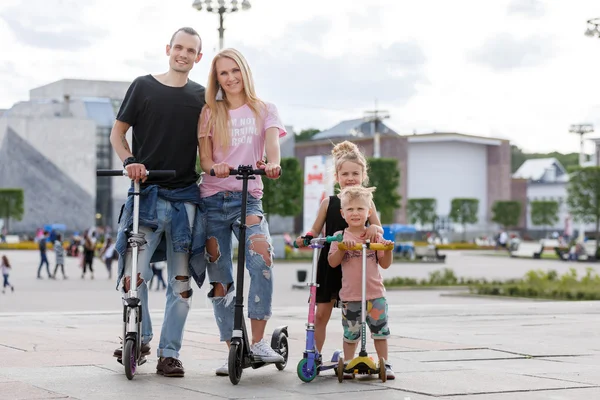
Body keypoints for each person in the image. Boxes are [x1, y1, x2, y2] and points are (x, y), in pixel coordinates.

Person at [109, 26, 206, 378]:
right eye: (177, 47)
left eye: (190, 50)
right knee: (133, 275)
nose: (182, 54)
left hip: (185, 199)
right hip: (146, 196)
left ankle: (170, 352)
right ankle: (141, 336)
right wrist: (129, 160)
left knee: (180, 283)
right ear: (168, 49)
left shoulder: (202, 96)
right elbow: (117, 133)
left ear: (199, 56)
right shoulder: (143, 86)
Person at [197, 48, 285, 376]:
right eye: (223, 73)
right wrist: (215, 167)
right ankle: (232, 345)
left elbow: (272, 149)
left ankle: (260, 342)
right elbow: (204, 160)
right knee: (220, 277)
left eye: (235, 70)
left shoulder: (265, 111)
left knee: (261, 259)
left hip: (248, 199)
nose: (230, 78)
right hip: (213, 200)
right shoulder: (210, 112)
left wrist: (272, 165)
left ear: (245, 71)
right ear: (216, 78)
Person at [295, 141, 383, 355]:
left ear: (363, 176)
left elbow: (378, 226)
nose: (350, 178)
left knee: (359, 313)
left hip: (355, 263)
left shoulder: (367, 203)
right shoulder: (329, 202)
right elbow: (315, 229)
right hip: (331, 263)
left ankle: (357, 354)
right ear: (337, 177)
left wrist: (373, 228)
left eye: (355, 173)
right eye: (345, 174)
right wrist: (306, 237)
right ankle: (314, 354)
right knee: (321, 314)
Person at [327, 186, 395, 379]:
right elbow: (332, 262)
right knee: (350, 334)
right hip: (351, 296)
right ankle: (348, 363)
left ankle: (385, 363)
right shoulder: (340, 236)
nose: (355, 213)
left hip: (375, 295)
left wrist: (387, 249)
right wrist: (342, 248)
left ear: (369, 212)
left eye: (360, 209)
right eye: (350, 209)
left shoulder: (374, 236)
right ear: (343, 213)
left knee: (380, 331)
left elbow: (385, 264)